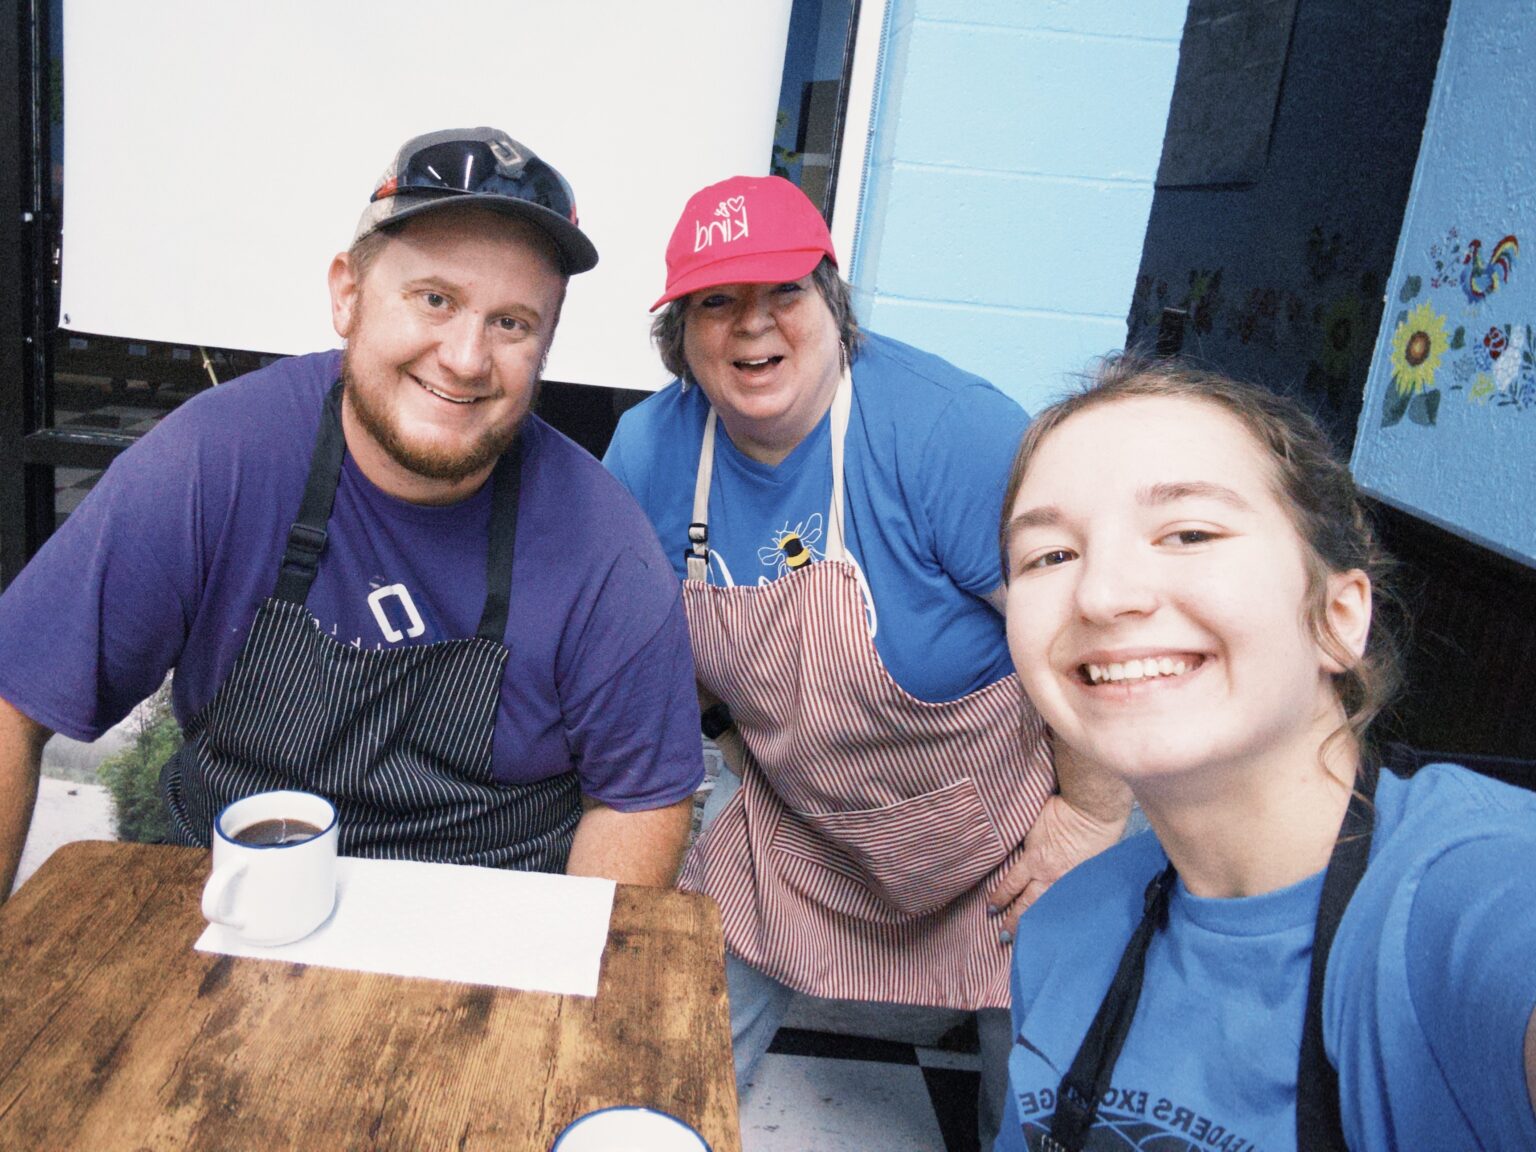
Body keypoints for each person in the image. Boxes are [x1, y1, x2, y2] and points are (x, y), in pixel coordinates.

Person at [0, 127, 702, 900]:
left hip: (488, 923)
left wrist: (557, 967)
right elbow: (12, 699)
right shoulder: (216, 461)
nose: (466, 358)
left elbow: (640, 800)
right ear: (347, 294)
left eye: (512, 323)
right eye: (435, 299)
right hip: (230, 899)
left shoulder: (603, 546)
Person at [604, 174, 1130, 1149]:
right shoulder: (651, 452)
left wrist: (1091, 816)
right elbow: (639, 652)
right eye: (717, 302)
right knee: (665, 1054)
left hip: (1005, 827)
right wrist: (711, 753)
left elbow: (1085, 634)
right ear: (680, 335)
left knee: (1038, 1094)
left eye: (785, 291)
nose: (753, 326)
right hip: (796, 824)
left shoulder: (949, 431)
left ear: (833, 303)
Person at [995, 355, 1536, 1151]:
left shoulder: (1462, 897)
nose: (1102, 595)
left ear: (1338, 617)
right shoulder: (1065, 929)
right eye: (1050, 555)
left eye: (1188, 533)